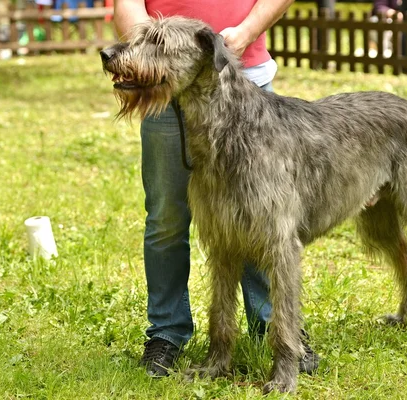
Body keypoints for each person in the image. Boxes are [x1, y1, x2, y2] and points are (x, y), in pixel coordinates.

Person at [112, 0, 320, 377]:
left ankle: (274, 326)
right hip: (165, 83)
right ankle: (167, 333)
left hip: (243, 76)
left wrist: (246, 32)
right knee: (166, 220)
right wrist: (146, 49)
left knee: (263, 223)